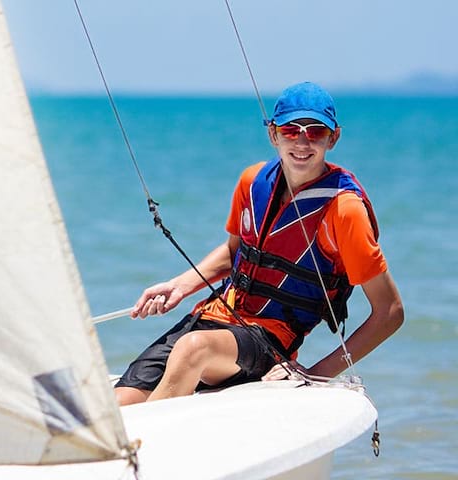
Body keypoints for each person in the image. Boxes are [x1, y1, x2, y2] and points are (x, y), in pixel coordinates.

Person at [114, 81, 404, 406]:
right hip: (216, 317)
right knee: (116, 403)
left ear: (333, 138)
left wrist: (317, 373)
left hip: (270, 341)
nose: (303, 142)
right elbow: (235, 254)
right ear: (273, 135)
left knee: (193, 349)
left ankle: (146, 453)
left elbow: (390, 311)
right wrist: (180, 285)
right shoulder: (253, 182)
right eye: (291, 130)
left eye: (316, 131)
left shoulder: (344, 210)